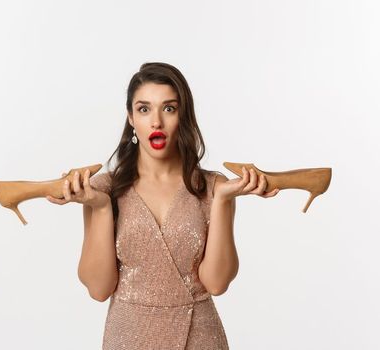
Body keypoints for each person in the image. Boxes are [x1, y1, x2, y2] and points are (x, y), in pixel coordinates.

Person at [46, 62, 279, 349]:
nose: (156, 121)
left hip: (199, 337)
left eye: (169, 108)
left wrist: (222, 201)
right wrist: (102, 208)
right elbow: (98, 288)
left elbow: (216, 284)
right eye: (144, 109)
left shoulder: (213, 187)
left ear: (183, 115)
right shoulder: (103, 189)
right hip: (127, 338)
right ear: (131, 117)